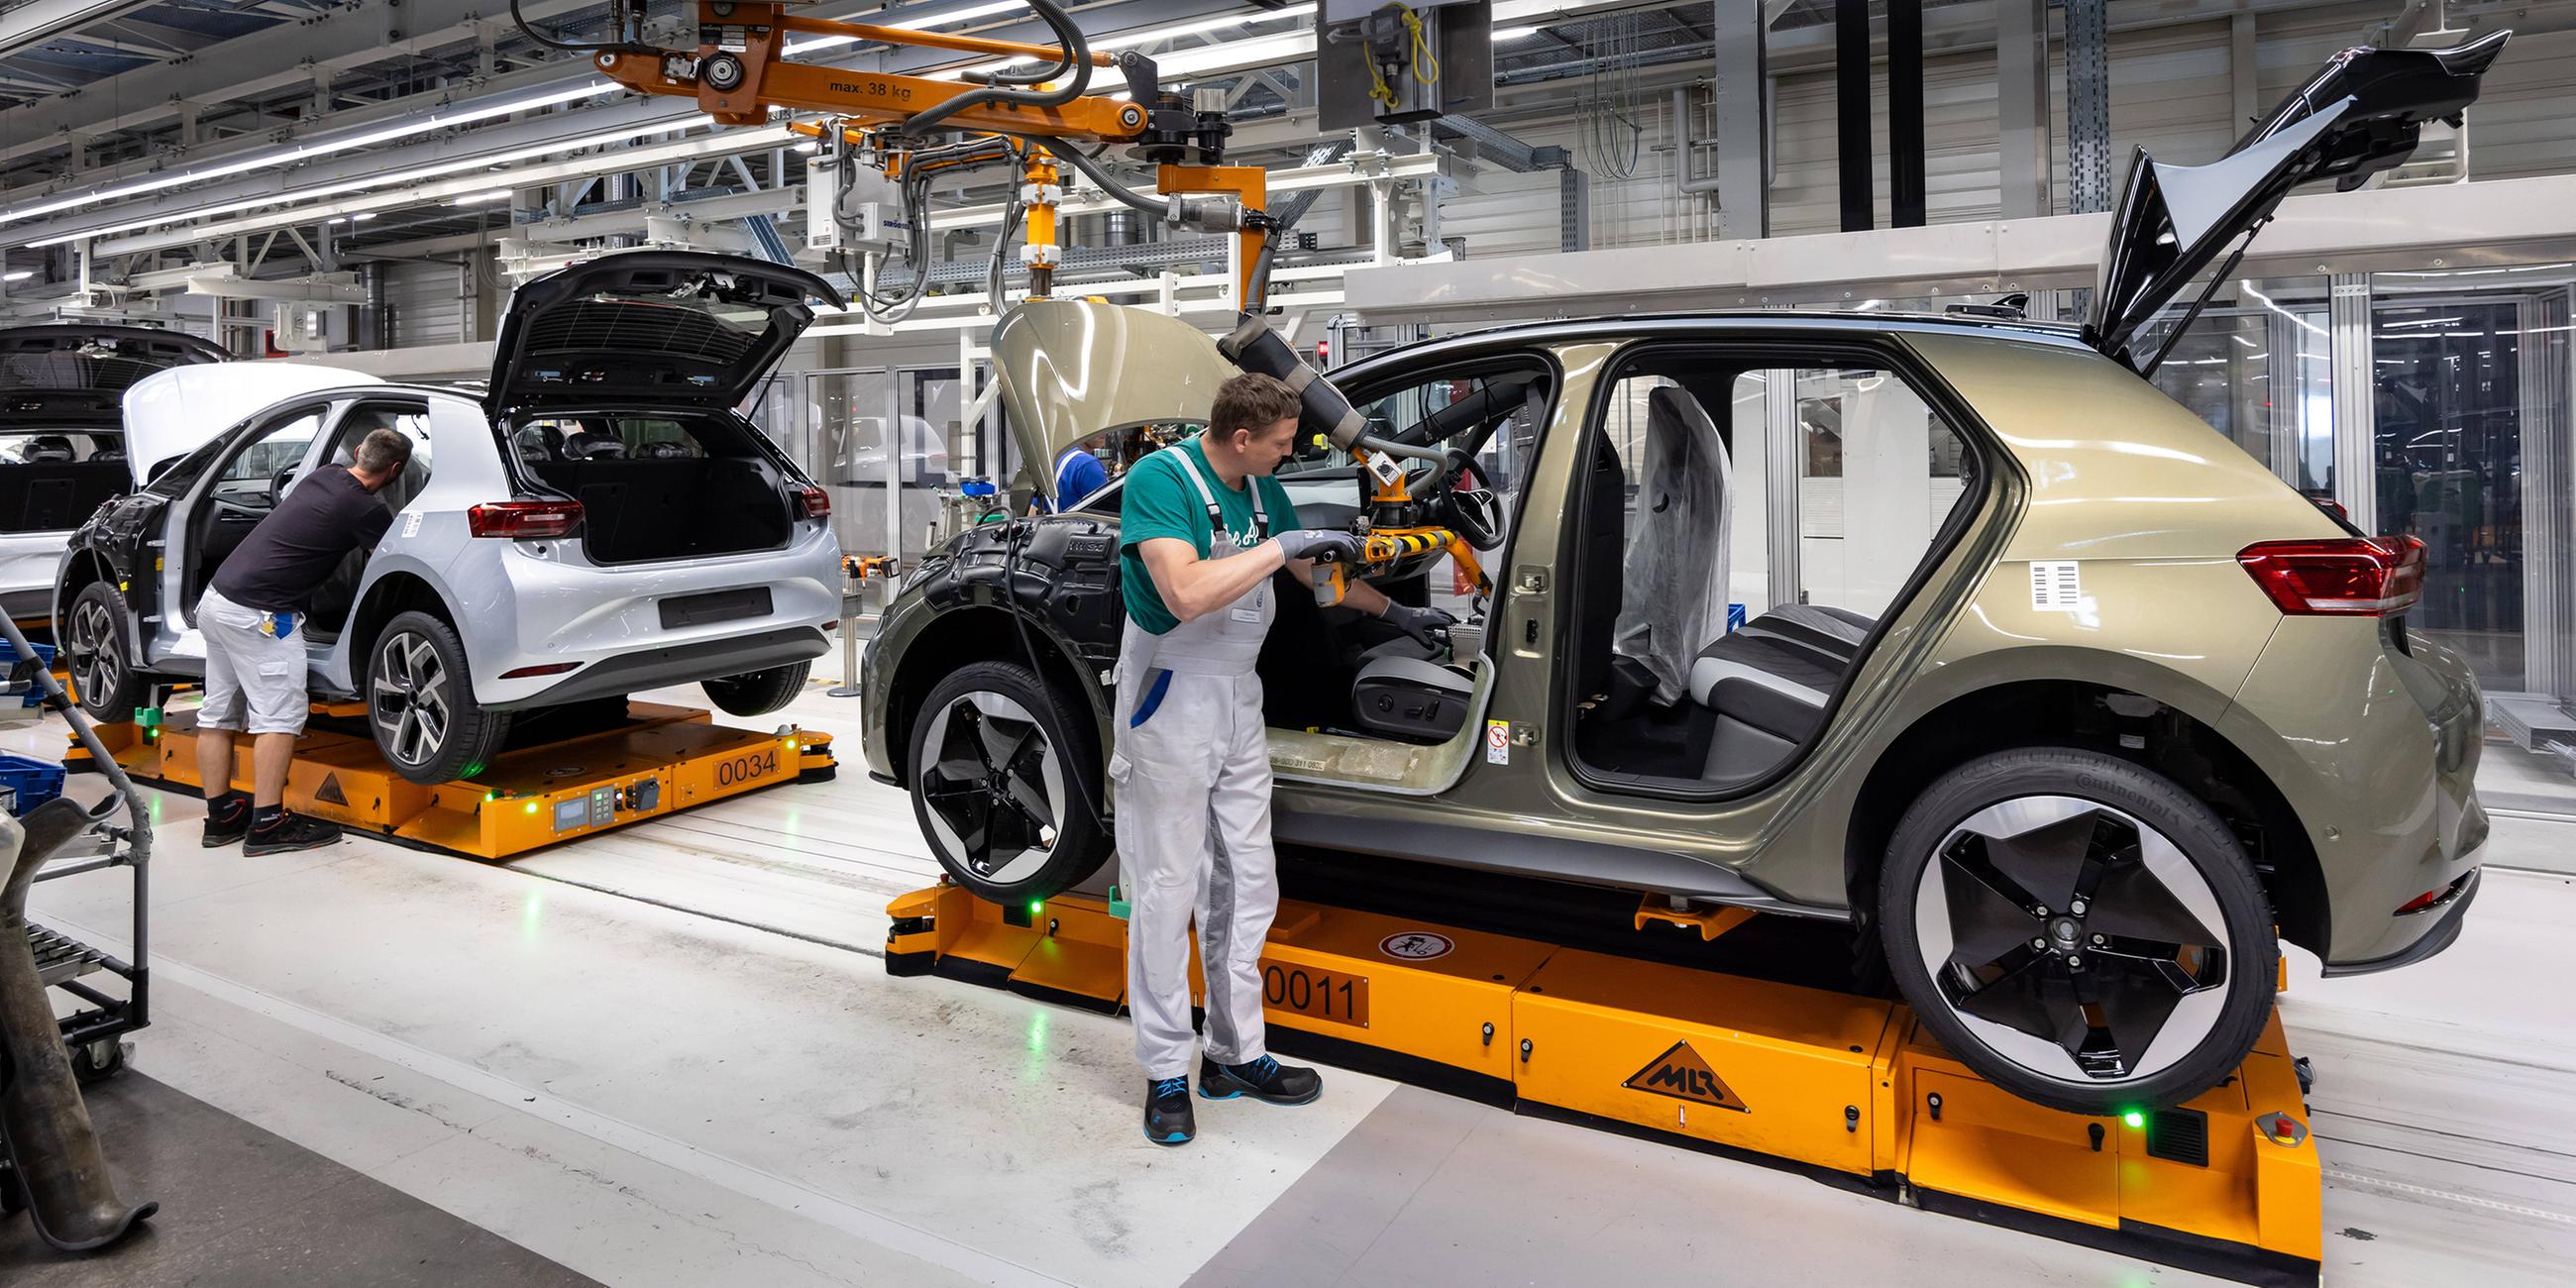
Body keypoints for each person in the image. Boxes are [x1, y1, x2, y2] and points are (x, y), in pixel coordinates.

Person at [1114, 372, 1454, 1145]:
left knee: (1247, 876)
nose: (1289, 452)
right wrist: (1279, 546)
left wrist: (1397, 609)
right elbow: (1186, 593)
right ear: (1241, 438)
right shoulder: (1161, 479)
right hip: (1170, 694)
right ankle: (1166, 1070)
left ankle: (1235, 1053)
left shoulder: (1268, 492)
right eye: (1279, 443)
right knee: (1168, 886)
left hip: (1237, 696)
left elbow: (1318, 580)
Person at [196, 426, 414, 857]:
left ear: (356, 452)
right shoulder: (366, 510)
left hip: (217, 601)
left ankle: (221, 818)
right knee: (278, 717)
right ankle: (268, 824)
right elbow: (391, 562)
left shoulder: (325, 476)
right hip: (259, 617)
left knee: (218, 713)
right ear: (395, 471)